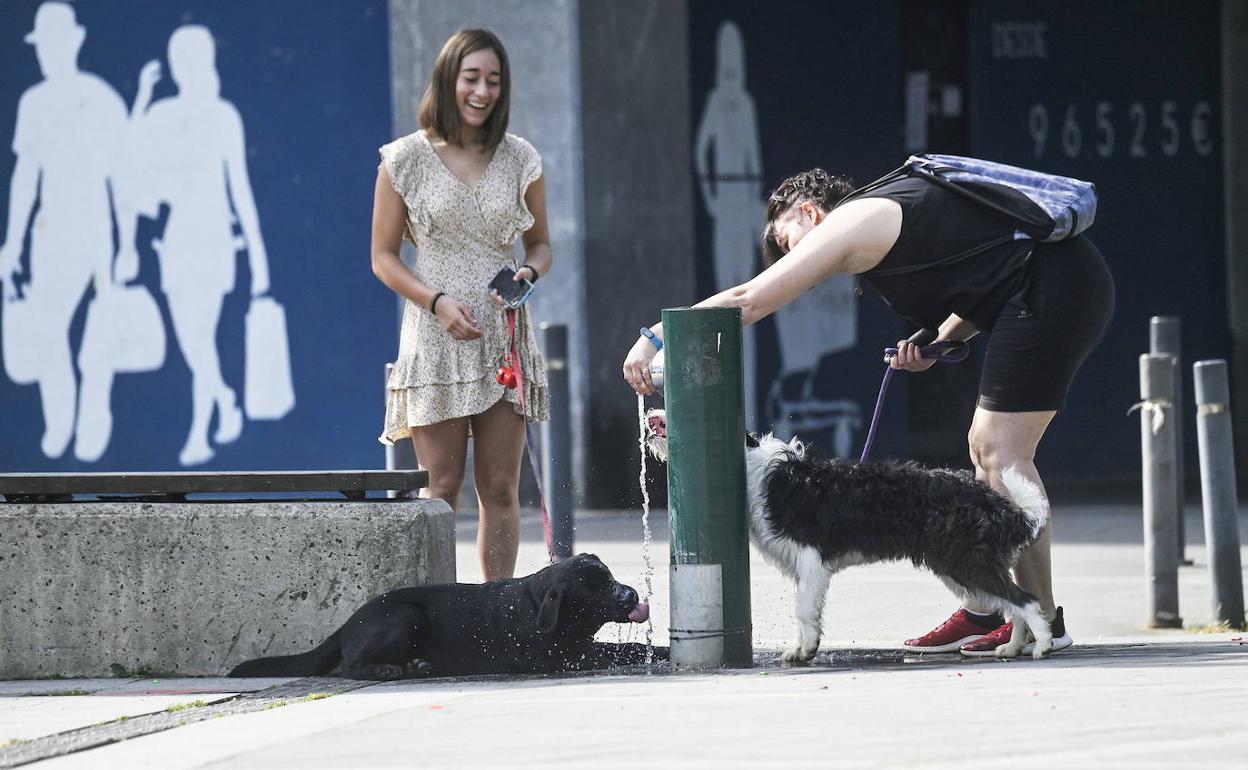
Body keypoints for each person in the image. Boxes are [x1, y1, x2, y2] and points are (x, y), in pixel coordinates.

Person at [623, 165, 1115, 655]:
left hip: (1054, 287)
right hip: (1033, 287)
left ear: (809, 212)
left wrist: (656, 337)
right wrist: (938, 341)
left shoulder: (854, 221)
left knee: (998, 448)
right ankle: (988, 608)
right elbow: (988, 276)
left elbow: (747, 301)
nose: (790, 260)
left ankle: (1042, 618)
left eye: (786, 242)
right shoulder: (875, 229)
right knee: (985, 450)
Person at [371, 29, 551, 581]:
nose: (482, 91)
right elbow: (383, 257)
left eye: (493, 80)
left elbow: (541, 246)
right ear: (448, 79)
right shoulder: (404, 158)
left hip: (502, 335)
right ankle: (435, 612)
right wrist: (437, 302)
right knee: (440, 488)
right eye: (471, 78)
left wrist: (527, 274)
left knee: (500, 487)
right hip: (435, 334)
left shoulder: (520, 157)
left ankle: (499, 613)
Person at [128, 25, 270, 466]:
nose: (187, 67)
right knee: (188, 337)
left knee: (201, 335)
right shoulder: (161, 115)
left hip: (214, 239)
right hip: (175, 242)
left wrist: (258, 258)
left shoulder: (223, 115)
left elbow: (239, 189)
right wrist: (141, 101)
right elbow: (130, 162)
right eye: (181, 60)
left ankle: (199, 431)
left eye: (194, 58)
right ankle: (224, 400)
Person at [0, 2, 135, 460]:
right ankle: (60, 421)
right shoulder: (33, 102)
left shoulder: (102, 99)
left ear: (73, 42)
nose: (46, 54)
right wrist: (13, 243)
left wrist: (128, 244)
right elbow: (25, 176)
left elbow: (122, 180)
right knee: (49, 331)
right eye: (42, 46)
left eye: (54, 43)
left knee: (100, 330)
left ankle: (95, 416)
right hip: (49, 233)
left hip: (95, 232)